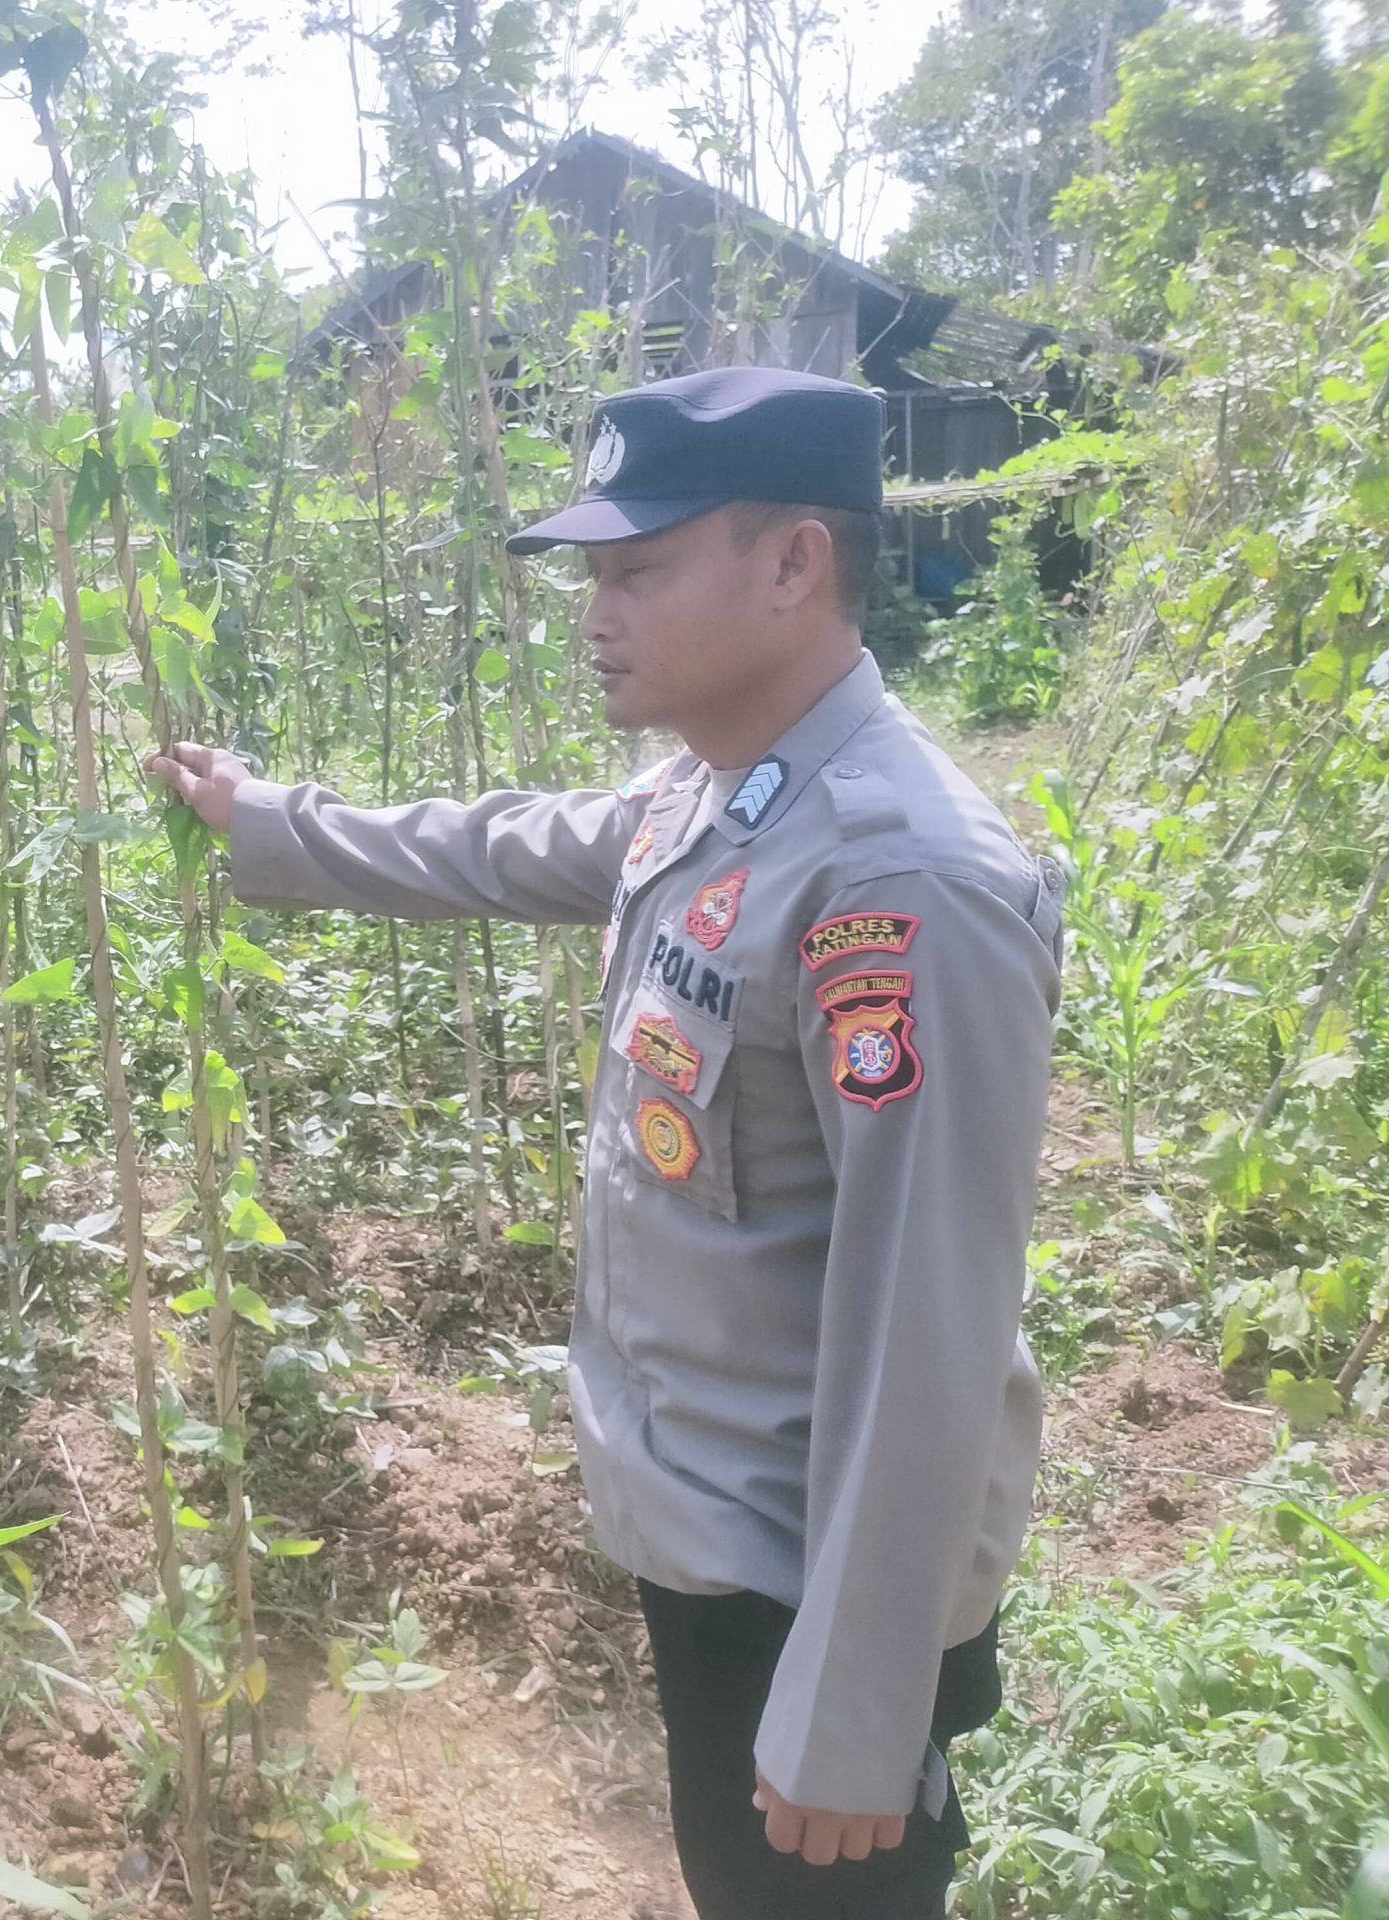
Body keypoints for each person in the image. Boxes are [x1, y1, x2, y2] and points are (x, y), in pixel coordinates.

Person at [146, 366, 1064, 1920]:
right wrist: (272, 821)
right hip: (714, 1536)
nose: (598, 610)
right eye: (591, 573)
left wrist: (852, 1711)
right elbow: (513, 844)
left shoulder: (902, 877)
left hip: (817, 1583)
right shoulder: (721, 794)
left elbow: (932, 1332)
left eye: (639, 569)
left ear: (794, 564)